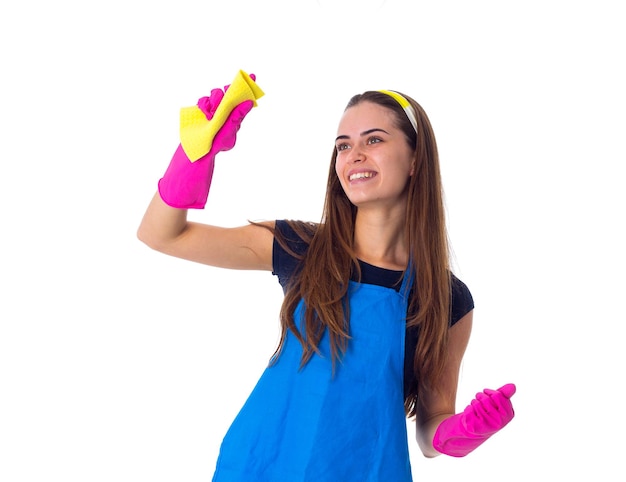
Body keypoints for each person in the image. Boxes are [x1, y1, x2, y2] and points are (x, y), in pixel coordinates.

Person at [137, 72, 517, 481]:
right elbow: (162, 235)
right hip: (263, 467)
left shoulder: (446, 298)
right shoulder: (301, 249)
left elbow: (429, 429)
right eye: (343, 145)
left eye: (374, 140)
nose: (354, 154)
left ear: (415, 158)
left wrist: (463, 431)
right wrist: (194, 156)